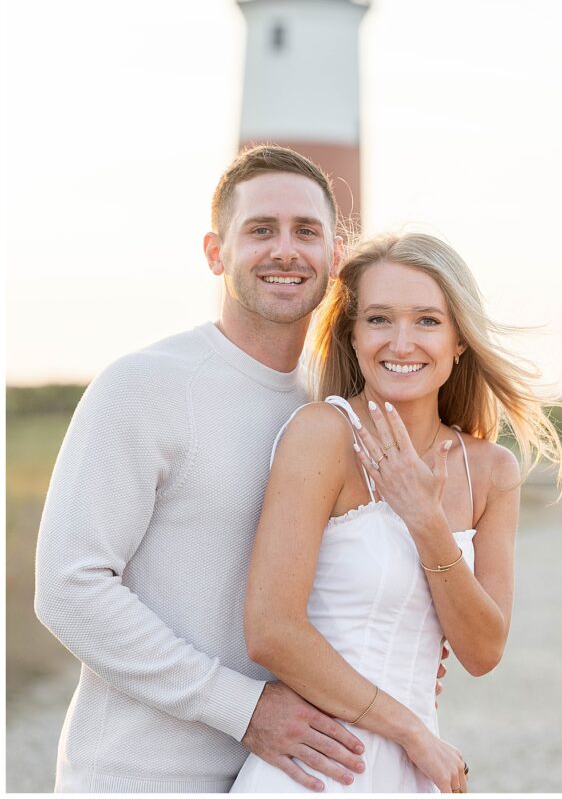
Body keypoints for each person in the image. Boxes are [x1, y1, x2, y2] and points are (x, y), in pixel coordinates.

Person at [34, 145, 375, 793]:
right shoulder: (144, 385)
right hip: (137, 778)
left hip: (284, 778)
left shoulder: (331, 410)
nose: (285, 249)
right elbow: (69, 588)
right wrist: (243, 710)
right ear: (216, 252)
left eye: (306, 231)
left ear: (336, 255)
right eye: (260, 230)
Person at [231, 232, 562, 793]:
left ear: (460, 339)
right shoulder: (323, 435)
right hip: (318, 766)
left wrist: (426, 520)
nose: (402, 343)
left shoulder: (491, 471)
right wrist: (410, 731)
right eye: (380, 319)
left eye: (428, 321)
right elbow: (271, 631)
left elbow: (482, 652)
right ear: (353, 335)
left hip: (416, 776)